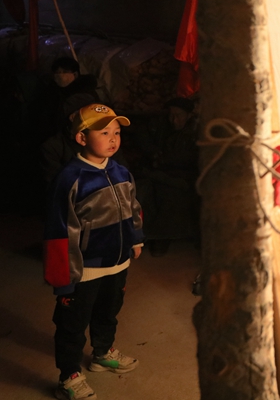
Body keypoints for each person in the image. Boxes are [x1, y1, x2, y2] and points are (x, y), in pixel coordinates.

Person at [44, 103, 144, 400]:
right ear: (81, 138)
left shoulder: (121, 171)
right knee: (72, 324)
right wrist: (63, 277)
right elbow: (59, 230)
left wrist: (135, 239)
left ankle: (102, 352)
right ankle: (69, 376)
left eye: (117, 132)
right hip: (84, 268)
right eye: (104, 133)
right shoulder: (70, 178)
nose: (113, 139)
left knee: (108, 311)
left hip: (118, 262)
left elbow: (134, 207)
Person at [135, 97, 200, 256]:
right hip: (163, 174)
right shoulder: (163, 128)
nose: (174, 120)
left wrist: (163, 163)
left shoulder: (194, 132)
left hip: (183, 177)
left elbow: (187, 159)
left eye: (179, 115)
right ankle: (149, 236)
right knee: (144, 191)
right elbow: (145, 138)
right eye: (171, 115)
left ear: (188, 115)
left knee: (171, 194)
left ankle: (162, 238)